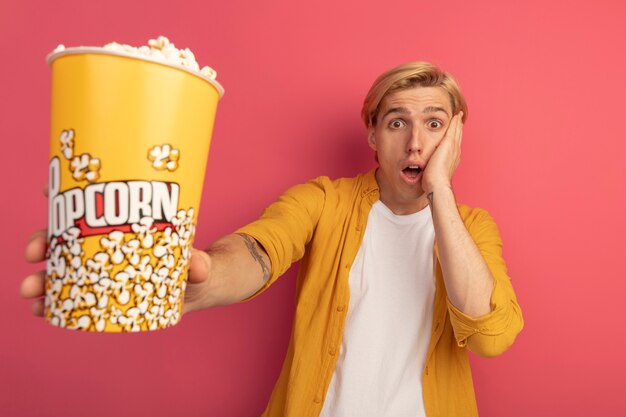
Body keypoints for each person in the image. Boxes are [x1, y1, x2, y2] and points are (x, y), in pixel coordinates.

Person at [21, 61, 524, 416]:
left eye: (434, 125)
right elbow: (263, 247)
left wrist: (440, 188)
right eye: (397, 123)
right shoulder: (324, 201)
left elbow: (491, 334)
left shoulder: (472, 228)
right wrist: (201, 279)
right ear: (372, 135)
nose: (416, 142)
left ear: (453, 139)